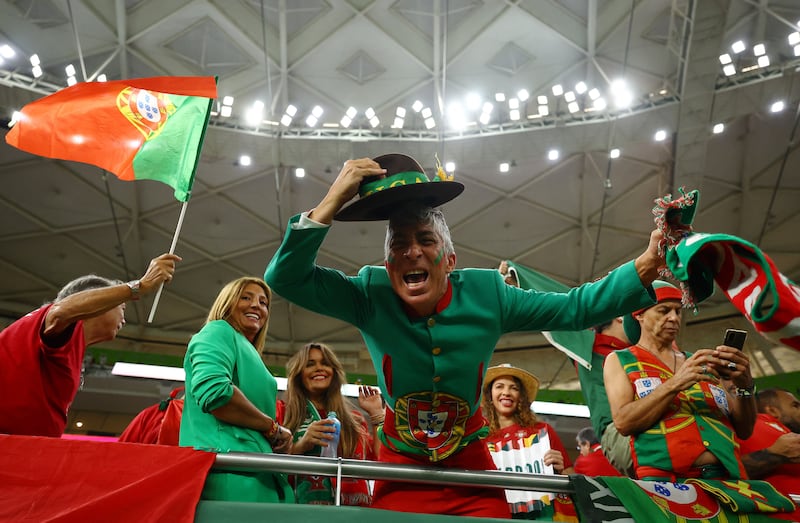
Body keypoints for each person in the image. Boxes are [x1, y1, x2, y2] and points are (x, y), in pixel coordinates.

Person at [264, 153, 665, 518]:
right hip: (400, 469)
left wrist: (647, 263)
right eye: (399, 246)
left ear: (450, 260)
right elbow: (285, 277)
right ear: (387, 266)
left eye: (426, 241)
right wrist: (333, 199)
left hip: (472, 469)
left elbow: (576, 308)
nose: (412, 252)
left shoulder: (488, 294)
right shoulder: (370, 293)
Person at [0, 253, 180, 437]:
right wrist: (139, 287)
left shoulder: (56, 339)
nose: (124, 320)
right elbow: (61, 311)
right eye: (121, 307)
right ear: (99, 303)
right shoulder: (58, 321)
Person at [604, 280, 757, 481]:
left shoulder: (700, 362)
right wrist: (676, 383)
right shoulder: (620, 360)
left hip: (728, 480)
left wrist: (745, 386)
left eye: (678, 311)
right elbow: (623, 422)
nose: (674, 318)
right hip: (666, 484)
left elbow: (745, 430)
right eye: (663, 310)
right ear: (639, 314)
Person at [498, 261, 633, 475]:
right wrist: (520, 279)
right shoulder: (589, 347)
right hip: (625, 437)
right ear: (619, 314)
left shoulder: (643, 353)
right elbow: (562, 303)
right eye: (499, 386)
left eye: (513, 387)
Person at [179, 277, 294, 503]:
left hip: (255, 472)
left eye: (263, 302)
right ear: (227, 302)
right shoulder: (218, 331)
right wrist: (273, 429)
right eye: (246, 297)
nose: (256, 305)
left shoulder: (248, 352)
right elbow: (216, 394)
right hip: (231, 472)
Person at [279, 342, 383, 506]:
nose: (319, 368)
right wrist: (300, 446)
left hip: (354, 513)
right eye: (310, 364)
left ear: (334, 372)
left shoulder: (355, 419)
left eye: (325, 363)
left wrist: (377, 415)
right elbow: (269, 463)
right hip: (301, 513)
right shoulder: (283, 413)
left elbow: (380, 459)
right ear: (299, 374)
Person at [482, 364, 573, 475]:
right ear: (490, 396)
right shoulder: (481, 438)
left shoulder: (542, 431)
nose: (506, 392)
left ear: (521, 397)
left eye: (514, 388)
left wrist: (561, 470)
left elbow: (571, 475)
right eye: (499, 386)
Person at [738, 388, 800, 519]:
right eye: (795, 405)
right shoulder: (739, 427)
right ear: (772, 410)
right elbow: (720, 473)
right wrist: (774, 455)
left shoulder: (782, 428)